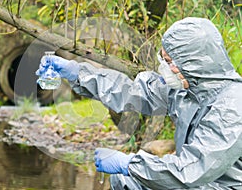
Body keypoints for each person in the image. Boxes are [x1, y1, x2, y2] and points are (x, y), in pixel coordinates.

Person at [36, 17, 242, 189]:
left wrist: (129, 163)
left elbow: (191, 169)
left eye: (169, 62)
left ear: (194, 64)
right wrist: (75, 72)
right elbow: (132, 92)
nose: (164, 68)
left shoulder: (233, 107)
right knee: (126, 180)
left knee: (132, 173)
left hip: (216, 184)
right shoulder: (187, 89)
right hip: (199, 182)